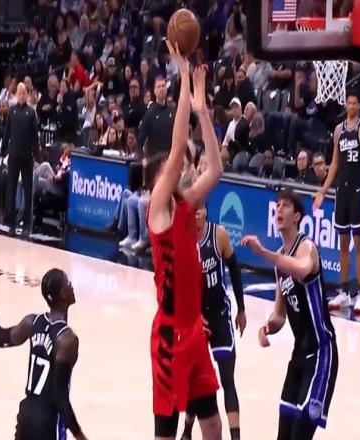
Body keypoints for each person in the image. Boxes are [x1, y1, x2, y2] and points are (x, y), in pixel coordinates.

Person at [145, 42, 223, 440]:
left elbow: (217, 168)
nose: (179, 169)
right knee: (167, 432)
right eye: (170, 170)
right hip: (169, 336)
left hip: (195, 332)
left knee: (212, 424)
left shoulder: (186, 204)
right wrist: (182, 80)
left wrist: (202, 109)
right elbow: (178, 149)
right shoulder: (158, 210)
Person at [242, 188, 338, 440]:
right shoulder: (281, 261)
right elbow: (279, 315)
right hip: (299, 354)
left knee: (300, 433)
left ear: (297, 216)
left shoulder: (307, 247)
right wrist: (267, 327)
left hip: (321, 352)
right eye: (277, 205)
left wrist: (263, 253)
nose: (279, 210)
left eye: (285, 205)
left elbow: (303, 269)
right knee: (283, 434)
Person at [0, 269, 87, 440]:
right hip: (48, 421)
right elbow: (60, 396)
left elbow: (0, 339)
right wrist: (80, 435)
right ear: (62, 293)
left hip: (26, 415)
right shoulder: (67, 340)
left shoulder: (32, 322)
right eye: (68, 283)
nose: (72, 286)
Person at [181, 205, 247, 440]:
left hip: (219, 315)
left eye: (200, 209)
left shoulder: (218, 234)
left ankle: (236, 437)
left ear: (206, 211)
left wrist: (241, 309)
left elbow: (235, 270)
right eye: (193, 210)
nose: (196, 213)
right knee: (195, 378)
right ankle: (187, 430)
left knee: (227, 378)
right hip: (196, 319)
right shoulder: (184, 241)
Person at [313, 90, 360, 313]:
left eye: (355, 103)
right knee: (342, 244)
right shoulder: (339, 131)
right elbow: (335, 164)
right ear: (345, 105)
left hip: (358, 190)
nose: (351, 106)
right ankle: (343, 291)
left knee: (358, 243)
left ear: (359, 106)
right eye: (349, 102)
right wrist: (323, 190)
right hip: (342, 191)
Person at [2, 83, 40, 237]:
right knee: (11, 189)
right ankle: (11, 224)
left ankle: (27, 226)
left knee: (27, 190)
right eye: (20, 93)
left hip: (27, 157)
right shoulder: (11, 111)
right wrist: (3, 151)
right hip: (13, 155)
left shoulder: (31, 113)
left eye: (24, 93)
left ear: (27, 95)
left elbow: (35, 137)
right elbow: (6, 133)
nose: (22, 95)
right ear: (16, 94)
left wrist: (36, 155)